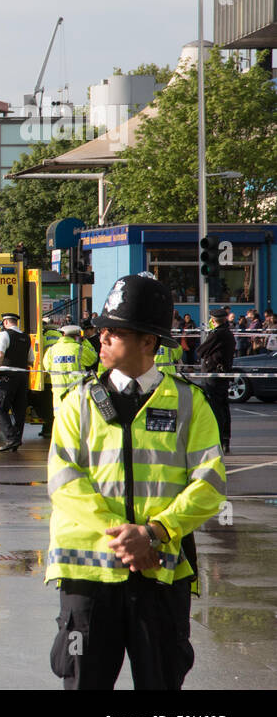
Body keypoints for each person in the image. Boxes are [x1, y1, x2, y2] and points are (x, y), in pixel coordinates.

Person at [46, 273, 226, 690]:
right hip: (88, 581)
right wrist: (127, 539)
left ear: (149, 342)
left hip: (159, 576)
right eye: (101, 330)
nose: (102, 339)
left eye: (115, 332)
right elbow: (63, 480)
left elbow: (210, 483)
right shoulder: (78, 403)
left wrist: (154, 533)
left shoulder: (189, 403)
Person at [195, 307, 235, 454]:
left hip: (213, 375)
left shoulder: (217, 334)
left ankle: (218, 439)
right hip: (222, 375)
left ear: (213, 320)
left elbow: (200, 351)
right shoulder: (228, 333)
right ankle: (225, 440)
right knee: (224, 408)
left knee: (215, 409)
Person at [0, 312, 31, 451]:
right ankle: (17, 439)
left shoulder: (4, 334)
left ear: (6, 322)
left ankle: (11, 438)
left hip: (7, 376)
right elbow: (30, 360)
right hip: (22, 377)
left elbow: (0, 354)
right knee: (19, 411)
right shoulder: (26, 337)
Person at [42, 324, 97, 424]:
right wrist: (85, 341)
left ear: (63, 335)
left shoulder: (52, 350)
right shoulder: (79, 348)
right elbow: (93, 358)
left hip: (58, 393)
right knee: (76, 422)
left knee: (60, 422)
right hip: (76, 392)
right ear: (77, 336)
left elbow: (47, 367)